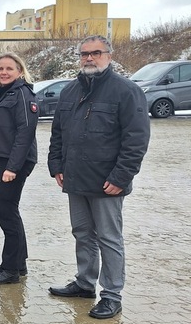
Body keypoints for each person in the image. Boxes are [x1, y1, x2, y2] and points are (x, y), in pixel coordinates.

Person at [47, 35, 150, 319]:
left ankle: (112, 294)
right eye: (84, 54)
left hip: (107, 182)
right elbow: (58, 133)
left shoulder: (126, 91)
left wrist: (121, 176)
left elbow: (136, 139)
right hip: (75, 179)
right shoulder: (70, 91)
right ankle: (84, 282)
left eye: (95, 53)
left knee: (109, 238)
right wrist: (56, 164)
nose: (89, 58)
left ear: (109, 55)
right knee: (82, 233)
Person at [0, 53, 38, 285]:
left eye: (9, 69)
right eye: (0, 68)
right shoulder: (0, 94)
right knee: (8, 211)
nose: (3, 72)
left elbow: (25, 133)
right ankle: (17, 263)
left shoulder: (22, 94)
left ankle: (10, 271)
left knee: (6, 213)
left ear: (19, 71)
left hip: (11, 162)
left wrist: (12, 167)